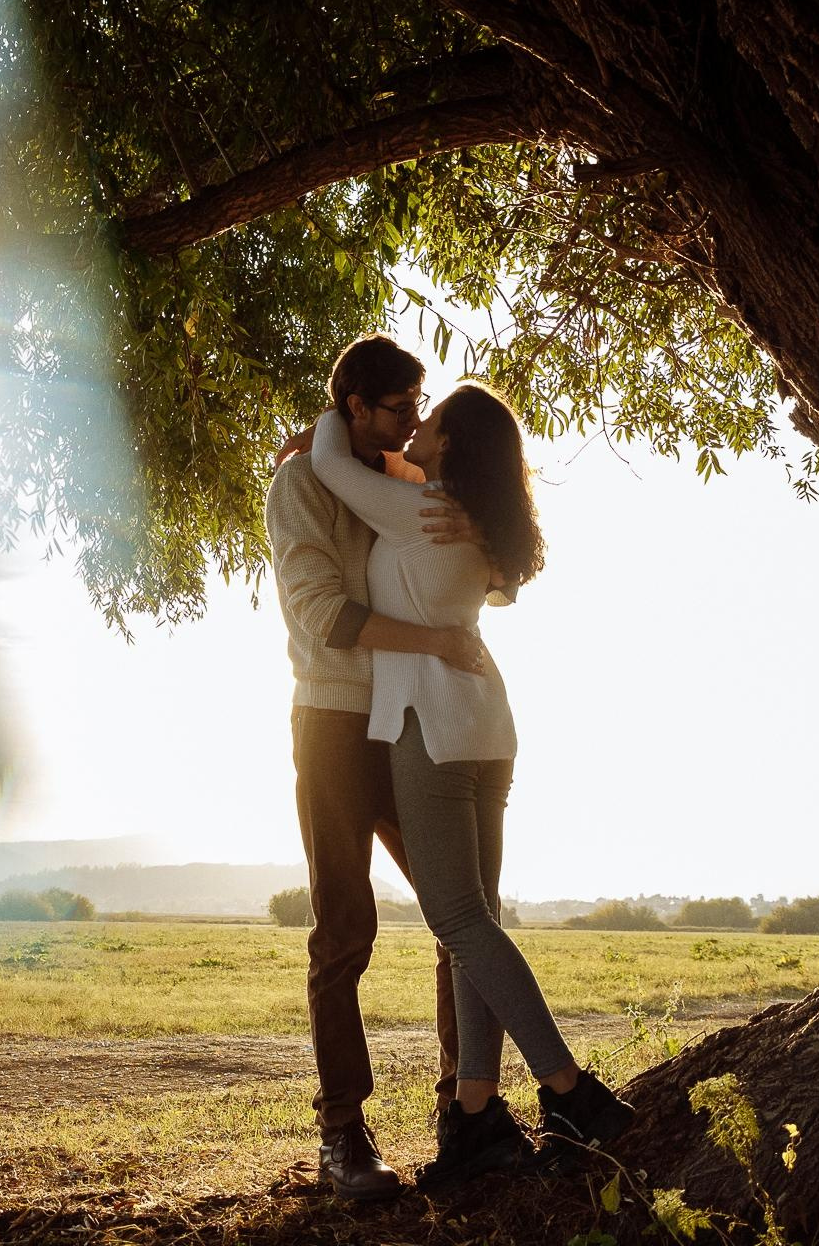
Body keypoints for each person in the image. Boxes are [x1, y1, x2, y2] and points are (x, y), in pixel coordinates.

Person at [306, 380, 638, 1191]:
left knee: (458, 921)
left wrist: (326, 413)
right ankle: (478, 1119)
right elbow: (503, 584)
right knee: (474, 924)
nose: (415, 425)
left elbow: (328, 463)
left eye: (431, 417)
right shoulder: (474, 521)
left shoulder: (416, 509)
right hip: (489, 730)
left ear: (450, 443)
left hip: (435, 728)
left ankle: (569, 1092)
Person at [266, 335, 492, 1201]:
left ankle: (464, 1111)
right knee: (344, 929)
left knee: (459, 916)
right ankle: (342, 1134)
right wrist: (435, 639)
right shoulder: (296, 486)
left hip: (406, 715)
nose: (411, 423)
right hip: (330, 720)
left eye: (416, 407)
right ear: (354, 407)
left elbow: (472, 556)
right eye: (398, 408)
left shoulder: (394, 474)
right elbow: (325, 613)